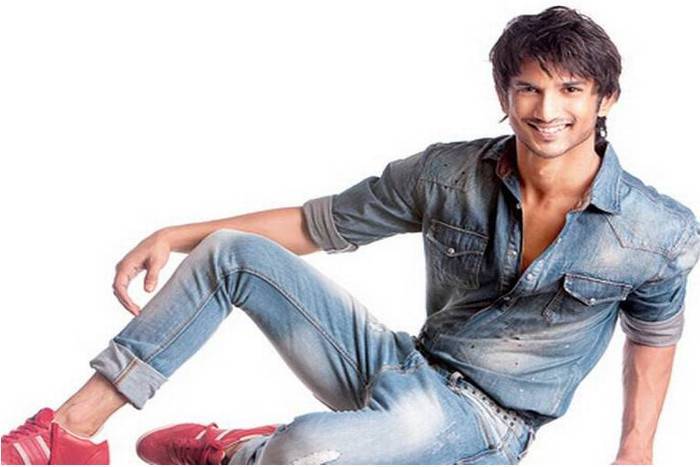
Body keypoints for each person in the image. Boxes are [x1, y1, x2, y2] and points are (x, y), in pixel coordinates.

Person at [2, 5, 699, 465]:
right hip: (401, 363)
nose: (547, 110)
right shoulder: (447, 173)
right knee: (231, 253)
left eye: (571, 90)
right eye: (529, 88)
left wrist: (635, 451)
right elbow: (319, 223)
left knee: (302, 450)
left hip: (485, 422)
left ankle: (241, 452)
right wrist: (176, 233)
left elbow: (653, 339)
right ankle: (69, 433)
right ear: (503, 95)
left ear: (606, 99)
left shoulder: (659, 230)